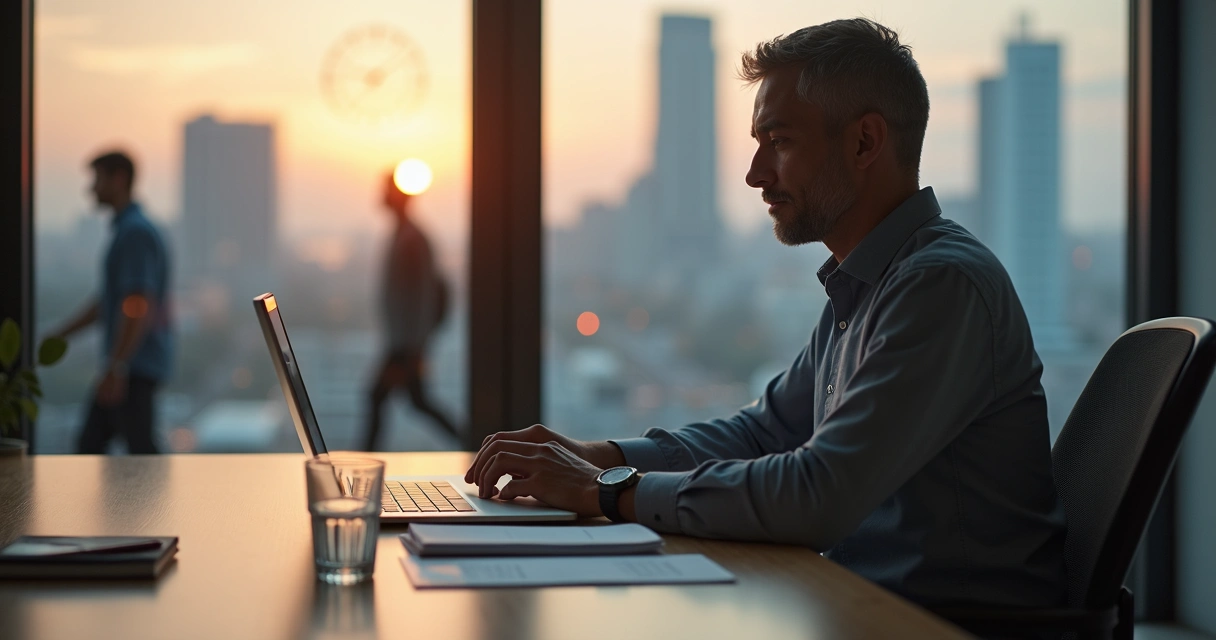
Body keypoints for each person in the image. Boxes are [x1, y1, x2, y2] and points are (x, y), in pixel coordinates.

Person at [464, 18, 1066, 608]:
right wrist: (602, 456)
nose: (755, 175)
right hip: (858, 608)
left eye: (778, 142)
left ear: (864, 142)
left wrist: (606, 491)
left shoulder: (940, 287)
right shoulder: (868, 285)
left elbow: (817, 493)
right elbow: (764, 432)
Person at [52, 151, 172, 454]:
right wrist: (60, 334)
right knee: (119, 450)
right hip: (130, 365)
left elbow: (136, 302)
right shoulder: (130, 230)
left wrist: (116, 366)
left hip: (132, 366)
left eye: (97, 179)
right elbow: (110, 302)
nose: (91, 189)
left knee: (135, 456)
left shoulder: (134, 233)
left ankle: (147, 503)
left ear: (119, 179)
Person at [364, 172, 459, 451]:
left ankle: (361, 471)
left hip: (405, 345)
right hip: (402, 342)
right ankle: (473, 445)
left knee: (377, 398)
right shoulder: (403, 235)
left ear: (398, 197)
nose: (380, 196)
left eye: (385, 190)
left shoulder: (411, 239)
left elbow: (422, 298)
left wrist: (415, 346)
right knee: (416, 401)